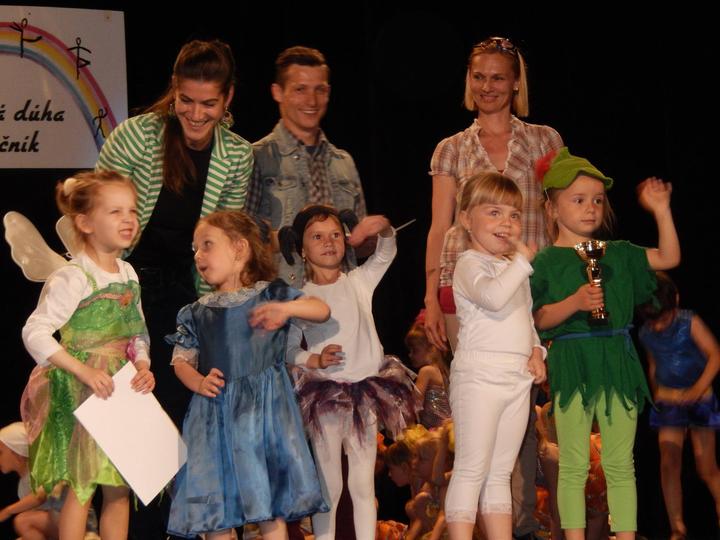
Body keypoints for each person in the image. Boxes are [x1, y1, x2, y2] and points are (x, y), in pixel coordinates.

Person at [530, 148, 681, 540]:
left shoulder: (620, 254)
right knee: (574, 464)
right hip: (572, 361)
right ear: (552, 208)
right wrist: (574, 303)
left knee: (619, 463)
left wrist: (661, 210)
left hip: (617, 361)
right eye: (578, 200)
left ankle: (626, 535)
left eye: (597, 200)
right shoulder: (545, 262)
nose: (590, 208)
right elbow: (538, 318)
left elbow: (668, 257)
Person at [165, 210, 329, 540]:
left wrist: (286, 308)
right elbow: (180, 361)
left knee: (267, 505)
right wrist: (198, 381)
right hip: (214, 420)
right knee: (215, 513)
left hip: (262, 417)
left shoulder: (271, 295)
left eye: (207, 245)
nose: (198, 255)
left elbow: (321, 310)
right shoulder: (196, 312)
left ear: (239, 248)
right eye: (195, 248)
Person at [21, 172, 155, 540]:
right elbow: (35, 332)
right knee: (83, 485)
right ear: (85, 222)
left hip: (120, 385)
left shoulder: (128, 273)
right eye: (115, 211)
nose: (128, 219)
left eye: (132, 210)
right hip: (85, 389)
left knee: (119, 485)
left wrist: (142, 364)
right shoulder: (75, 275)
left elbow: (137, 332)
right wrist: (82, 370)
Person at [283, 205, 415, 540]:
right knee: (330, 483)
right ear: (301, 249)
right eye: (317, 237)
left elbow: (386, 252)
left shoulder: (358, 282)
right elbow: (288, 349)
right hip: (325, 395)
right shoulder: (301, 297)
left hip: (365, 394)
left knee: (362, 482)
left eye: (335, 235)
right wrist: (314, 359)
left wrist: (383, 227)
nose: (328, 242)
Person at [424, 36, 563, 353]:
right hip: (469, 284)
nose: (486, 87)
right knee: (475, 374)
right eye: (479, 77)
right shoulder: (452, 149)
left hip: (533, 279)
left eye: (497, 78)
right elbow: (439, 228)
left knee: (533, 376)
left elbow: (559, 215)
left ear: (515, 82)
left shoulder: (544, 140)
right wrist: (430, 297)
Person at [445, 172, 546, 540]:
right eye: (494, 212)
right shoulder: (469, 263)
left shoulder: (514, 269)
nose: (506, 222)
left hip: (515, 379)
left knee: (500, 472)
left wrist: (537, 352)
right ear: (466, 219)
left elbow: (526, 319)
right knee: (471, 468)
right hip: (479, 377)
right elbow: (493, 297)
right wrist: (522, 262)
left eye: (514, 214)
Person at [247, 46, 367, 287]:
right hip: (284, 299)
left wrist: (378, 235)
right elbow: (239, 244)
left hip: (342, 298)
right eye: (300, 89)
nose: (311, 101)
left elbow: (359, 247)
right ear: (277, 92)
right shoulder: (256, 157)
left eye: (319, 90)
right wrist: (286, 239)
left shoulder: (343, 162)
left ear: (328, 92)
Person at [638, 272, 720, 540]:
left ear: (675, 301)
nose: (659, 326)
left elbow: (715, 355)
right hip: (670, 401)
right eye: (653, 321)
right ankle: (677, 528)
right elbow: (653, 366)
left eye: (663, 319)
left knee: (705, 466)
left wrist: (697, 390)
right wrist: (657, 395)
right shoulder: (646, 332)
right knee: (668, 462)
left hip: (700, 398)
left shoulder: (689, 321)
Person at [405, 312, 451, 429]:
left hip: (434, 432)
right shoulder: (446, 371)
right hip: (447, 430)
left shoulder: (426, 371)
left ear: (431, 348)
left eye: (415, 350)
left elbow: (413, 406)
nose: (410, 355)